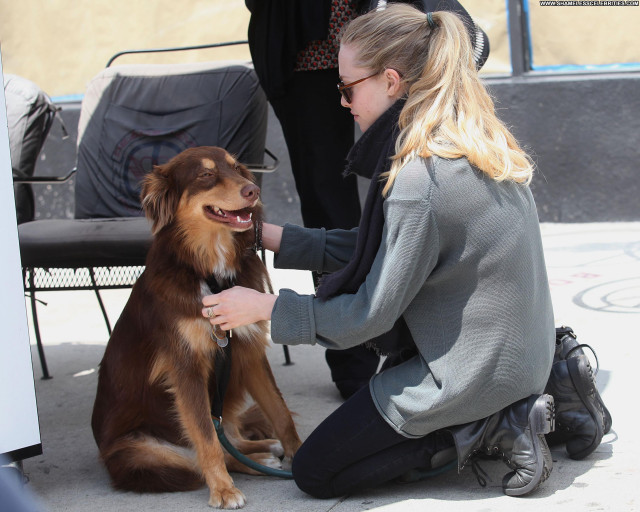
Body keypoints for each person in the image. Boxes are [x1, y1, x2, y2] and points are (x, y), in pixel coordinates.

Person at [204, 4, 556, 498]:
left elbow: (367, 316)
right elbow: (394, 247)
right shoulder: (466, 138)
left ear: (390, 82)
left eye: (347, 87)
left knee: (316, 472)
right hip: (522, 358)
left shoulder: (419, 178)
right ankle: (526, 401)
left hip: (472, 375)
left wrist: (265, 307)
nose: (343, 102)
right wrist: (272, 235)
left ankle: (487, 427)